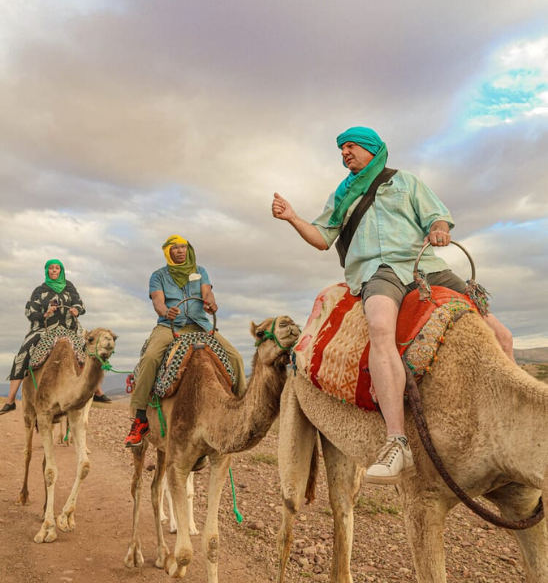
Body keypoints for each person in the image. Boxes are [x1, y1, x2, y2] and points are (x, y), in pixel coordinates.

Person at [272, 126, 514, 485]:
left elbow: (437, 215)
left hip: (425, 267)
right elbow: (322, 238)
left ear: (370, 148)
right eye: (341, 150)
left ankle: (511, 421)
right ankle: (396, 440)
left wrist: (438, 228)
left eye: (350, 147)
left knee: (501, 333)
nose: (344, 154)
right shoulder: (342, 195)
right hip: (378, 271)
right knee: (381, 326)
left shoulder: (406, 182)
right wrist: (292, 217)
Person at [124, 234, 246, 448]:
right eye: (175, 248)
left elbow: (207, 293)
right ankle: (140, 418)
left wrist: (210, 304)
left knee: (235, 357)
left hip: (200, 324)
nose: (180, 251)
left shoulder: (201, 271)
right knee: (151, 357)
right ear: (168, 252)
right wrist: (166, 312)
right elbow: (158, 301)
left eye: (183, 247)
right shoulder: (158, 275)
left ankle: (240, 412)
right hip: (170, 326)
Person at [1, 259, 86, 415]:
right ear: (47, 271)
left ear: (61, 271)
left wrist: (76, 310)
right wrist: (45, 313)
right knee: (23, 354)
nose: (54, 271)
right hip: (44, 329)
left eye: (57, 268)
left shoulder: (70, 287)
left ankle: (97, 392)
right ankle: (10, 400)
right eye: (51, 268)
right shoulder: (39, 291)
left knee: (89, 352)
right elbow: (29, 312)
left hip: (69, 329)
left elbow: (81, 304)